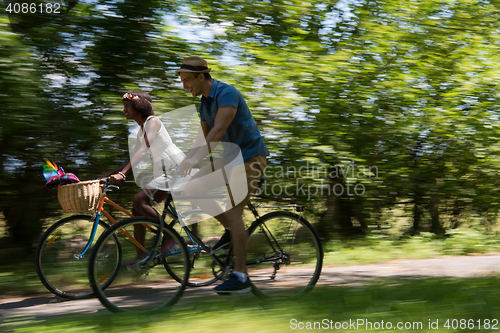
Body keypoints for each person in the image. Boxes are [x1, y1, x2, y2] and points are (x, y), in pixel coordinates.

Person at [176, 56, 269, 294]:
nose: (184, 85)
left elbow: (219, 130)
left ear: (201, 76)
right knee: (192, 188)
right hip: (229, 161)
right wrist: (183, 160)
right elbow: (202, 139)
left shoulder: (226, 94)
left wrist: (194, 159)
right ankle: (231, 230)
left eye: (187, 80)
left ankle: (240, 277)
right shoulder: (204, 104)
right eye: (182, 81)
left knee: (233, 210)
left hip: (250, 159)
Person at [100, 92, 185, 256]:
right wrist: (107, 175)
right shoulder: (141, 129)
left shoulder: (152, 122)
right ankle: (141, 255)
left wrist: (123, 175)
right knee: (137, 208)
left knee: (139, 199)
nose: (124, 110)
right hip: (166, 172)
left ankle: (170, 237)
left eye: (127, 106)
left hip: (176, 168)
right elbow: (135, 157)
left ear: (138, 107)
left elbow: (143, 149)